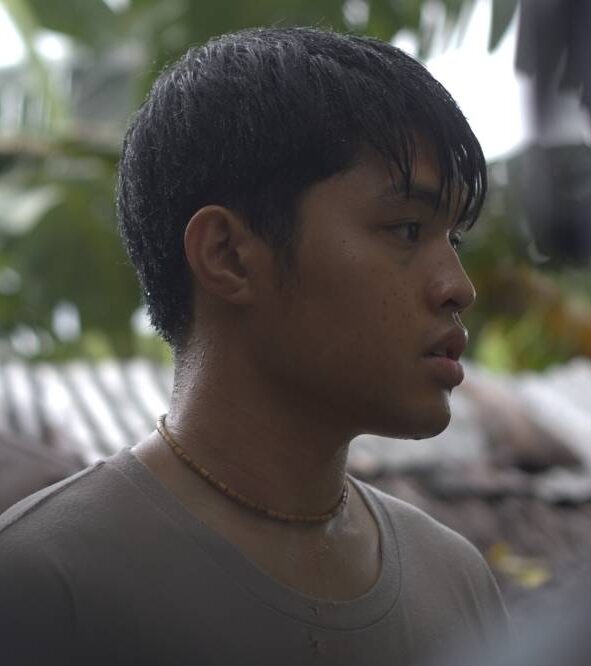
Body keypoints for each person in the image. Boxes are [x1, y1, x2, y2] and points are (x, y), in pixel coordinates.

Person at [0, 27, 508, 665]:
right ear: (229, 256)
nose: (458, 287)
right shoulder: (44, 584)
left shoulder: (457, 584)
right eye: (407, 229)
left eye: (452, 239)